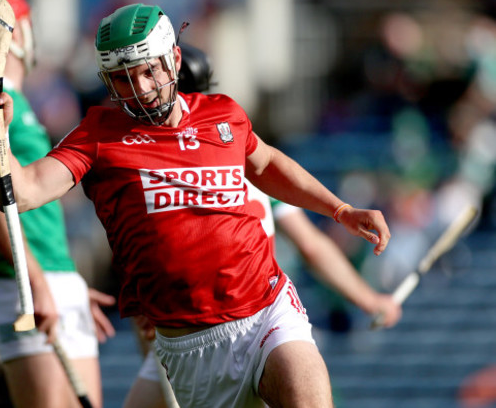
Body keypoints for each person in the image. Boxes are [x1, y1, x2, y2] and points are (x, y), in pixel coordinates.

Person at [0, 3, 392, 408]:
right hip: (191, 344)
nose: (141, 88)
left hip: (268, 309)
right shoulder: (97, 135)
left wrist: (340, 210)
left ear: (173, 59)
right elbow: (21, 193)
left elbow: (265, 163)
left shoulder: (224, 114)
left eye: (148, 70)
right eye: (123, 78)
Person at [122, 43, 402, 408]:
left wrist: (367, 297)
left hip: (255, 324)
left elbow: (311, 245)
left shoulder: (244, 167)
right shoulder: (149, 173)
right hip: (187, 339)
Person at [0, 0, 115, 408]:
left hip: (50, 274)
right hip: (18, 278)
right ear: (12, 31)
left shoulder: (17, 101)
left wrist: (67, 282)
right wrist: (39, 285)